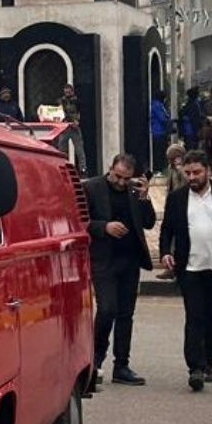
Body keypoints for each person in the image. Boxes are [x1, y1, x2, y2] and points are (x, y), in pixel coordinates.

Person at [159, 148, 212, 391]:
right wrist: (165, 252)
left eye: (196, 172)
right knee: (194, 315)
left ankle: (209, 362)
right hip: (189, 267)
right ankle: (195, 368)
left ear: (207, 170)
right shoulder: (177, 198)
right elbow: (167, 229)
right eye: (187, 173)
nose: (192, 177)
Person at [83, 153, 156, 389]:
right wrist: (104, 227)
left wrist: (144, 197)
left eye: (126, 179)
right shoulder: (91, 188)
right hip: (104, 260)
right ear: (110, 169)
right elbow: (78, 220)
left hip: (130, 259)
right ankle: (95, 360)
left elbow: (149, 222)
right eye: (118, 176)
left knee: (126, 314)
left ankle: (121, 365)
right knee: (107, 309)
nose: (121, 182)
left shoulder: (134, 192)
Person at [59, 84, 88, 173]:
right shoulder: (61, 101)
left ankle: (83, 168)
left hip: (75, 127)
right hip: (64, 127)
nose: (67, 94)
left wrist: (78, 122)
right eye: (66, 92)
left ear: (72, 91)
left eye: (69, 92)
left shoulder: (77, 101)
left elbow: (82, 112)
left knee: (79, 149)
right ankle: (63, 166)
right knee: (62, 149)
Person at [148, 92, 171, 176]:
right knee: (158, 151)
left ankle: (160, 167)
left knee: (161, 150)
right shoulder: (157, 105)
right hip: (157, 131)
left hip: (160, 131)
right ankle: (157, 169)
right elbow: (162, 118)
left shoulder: (158, 105)